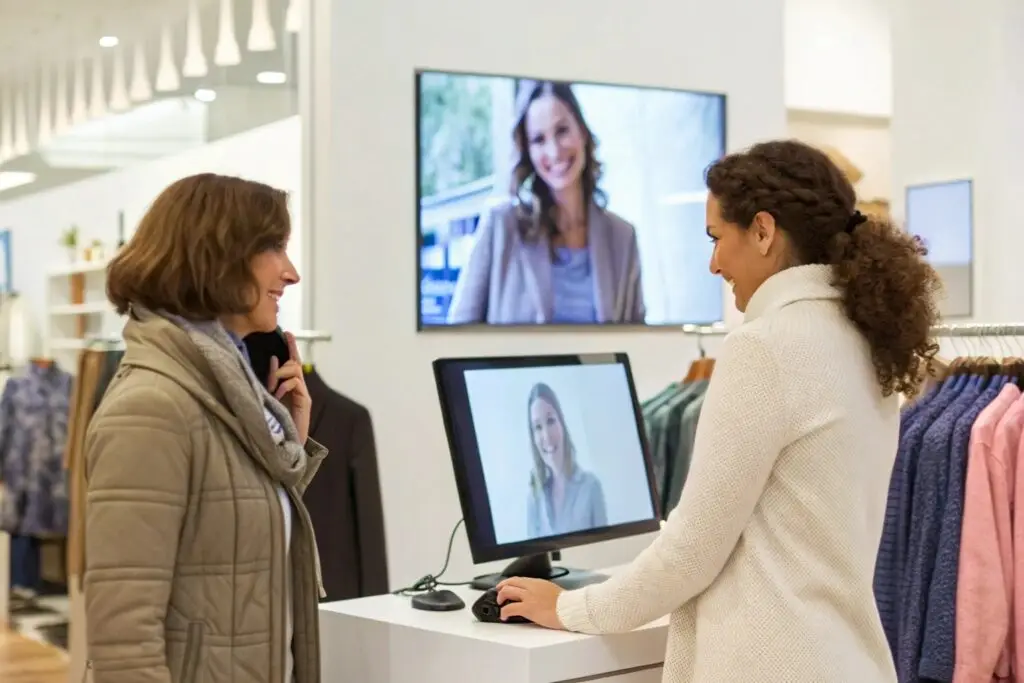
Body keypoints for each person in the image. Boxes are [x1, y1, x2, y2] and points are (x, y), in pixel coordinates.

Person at [496, 140, 941, 682]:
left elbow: (693, 549)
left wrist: (569, 607)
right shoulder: (865, 340)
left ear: (762, 230)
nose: (713, 263)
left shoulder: (764, 347)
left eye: (716, 238)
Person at [82, 174, 328, 683]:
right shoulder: (153, 409)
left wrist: (293, 445)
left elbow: (228, 546)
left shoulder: (228, 391)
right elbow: (124, 637)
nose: (292, 272)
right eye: (275, 248)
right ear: (219, 254)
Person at [446, 80, 645, 325]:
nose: (554, 151)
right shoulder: (501, 225)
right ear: (527, 150)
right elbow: (457, 333)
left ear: (582, 131)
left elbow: (639, 345)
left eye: (562, 131)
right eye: (539, 139)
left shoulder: (622, 237)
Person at [525, 382, 607, 538]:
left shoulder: (591, 487)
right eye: (538, 427)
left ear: (561, 423)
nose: (547, 436)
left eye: (550, 421)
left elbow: (608, 549)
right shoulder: (534, 499)